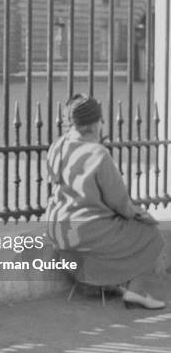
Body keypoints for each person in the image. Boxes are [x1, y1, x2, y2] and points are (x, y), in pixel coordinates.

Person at [45, 94, 166, 310]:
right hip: (84, 230)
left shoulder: (58, 146)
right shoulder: (98, 154)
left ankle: (106, 284)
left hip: (56, 227)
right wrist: (142, 215)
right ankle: (135, 292)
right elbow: (120, 202)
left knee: (109, 231)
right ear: (94, 123)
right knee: (151, 235)